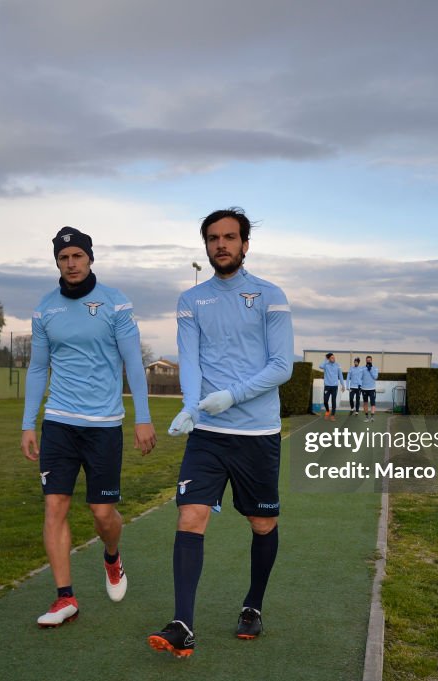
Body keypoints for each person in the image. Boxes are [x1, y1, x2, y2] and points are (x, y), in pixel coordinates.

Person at [148, 208, 294, 658]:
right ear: (206, 245)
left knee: (262, 522)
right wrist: (191, 407)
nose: (221, 245)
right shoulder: (192, 301)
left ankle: (252, 605)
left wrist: (231, 395)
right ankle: (182, 625)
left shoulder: (270, 296)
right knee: (190, 516)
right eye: (213, 238)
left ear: (245, 245)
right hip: (208, 434)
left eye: (230, 237)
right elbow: (189, 360)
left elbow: (281, 367)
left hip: (258, 434)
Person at [21, 226, 157, 628]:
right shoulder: (46, 309)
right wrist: (29, 423)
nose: (71, 264)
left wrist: (143, 417)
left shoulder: (116, 304)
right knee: (55, 506)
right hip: (59, 422)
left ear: (90, 258)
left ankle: (112, 556)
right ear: (57, 264)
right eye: (63, 259)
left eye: (77, 256)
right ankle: (65, 597)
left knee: (102, 513)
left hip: (104, 425)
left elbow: (134, 362)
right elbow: (38, 367)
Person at [319, 352, 346, 420]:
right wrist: (325, 359)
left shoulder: (338, 365)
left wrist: (343, 385)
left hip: (334, 386)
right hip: (327, 386)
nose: (333, 358)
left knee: (333, 401)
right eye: (332, 357)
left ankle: (332, 415)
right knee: (325, 401)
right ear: (329, 358)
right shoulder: (326, 365)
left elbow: (340, 376)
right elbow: (320, 366)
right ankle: (328, 411)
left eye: (334, 357)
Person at [360, 355, 380, 422]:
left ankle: (372, 417)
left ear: (371, 361)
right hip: (364, 389)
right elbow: (360, 378)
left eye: (369, 360)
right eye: (367, 360)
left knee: (373, 403)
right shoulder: (362, 368)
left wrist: (370, 369)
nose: (368, 361)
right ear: (366, 361)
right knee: (365, 403)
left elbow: (375, 377)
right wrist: (360, 386)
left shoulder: (375, 368)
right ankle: (366, 417)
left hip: (372, 389)